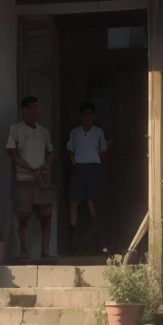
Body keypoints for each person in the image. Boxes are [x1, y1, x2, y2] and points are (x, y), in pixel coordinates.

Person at [5, 95, 55, 262]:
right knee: (24, 216)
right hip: (24, 179)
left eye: (36, 107)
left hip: (41, 179)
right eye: (31, 107)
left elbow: (50, 151)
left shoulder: (43, 131)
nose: (35, 110)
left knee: (46, 216)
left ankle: (45, 251)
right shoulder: (15, 129)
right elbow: (11, 152)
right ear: (24, 110)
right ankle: (24, 251)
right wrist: (24, 164)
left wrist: (47, 166)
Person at [66, 101, 110, 256]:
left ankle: (96, 240)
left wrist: (103, 171)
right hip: (79, 168)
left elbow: (103, 153)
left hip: (93, 168)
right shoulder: (75, 132)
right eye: (85, 114)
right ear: (81, 116)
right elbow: (70, 152)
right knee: (74, 203)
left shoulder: (98, 132)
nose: (88, 117)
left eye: (91, 114)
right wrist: (74, 165)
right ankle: (73, 241)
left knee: (93, 204)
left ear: (94, 116)